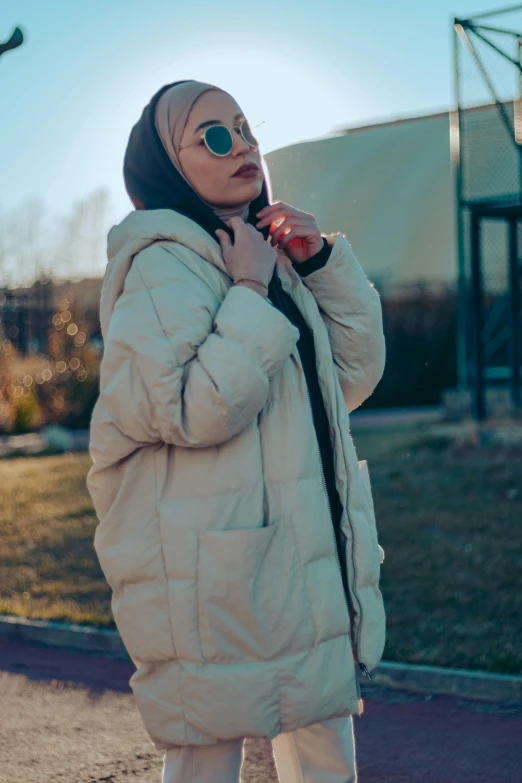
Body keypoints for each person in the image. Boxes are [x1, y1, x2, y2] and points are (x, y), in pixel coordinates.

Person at [86, 80, 387, 783]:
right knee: (206, 749)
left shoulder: (266, 252)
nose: (243, 144)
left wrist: (316, 261)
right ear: (166, 165)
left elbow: (353, 375)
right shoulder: (161, 263)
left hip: (299, 554)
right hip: (208, 576)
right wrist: (248, 293)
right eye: (214, 136)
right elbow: (189, 408)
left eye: (245, 127)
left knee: (323, 747)